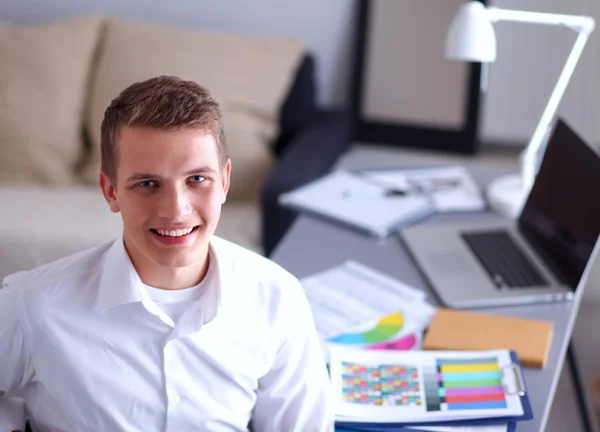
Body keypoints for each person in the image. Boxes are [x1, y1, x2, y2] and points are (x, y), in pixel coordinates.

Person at [0, 76, 333, 432]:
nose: (176, 210)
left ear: (224, 181)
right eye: (147, 184)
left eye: (196, 179)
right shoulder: (31, 305)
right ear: (110, 191)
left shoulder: (278, 299)